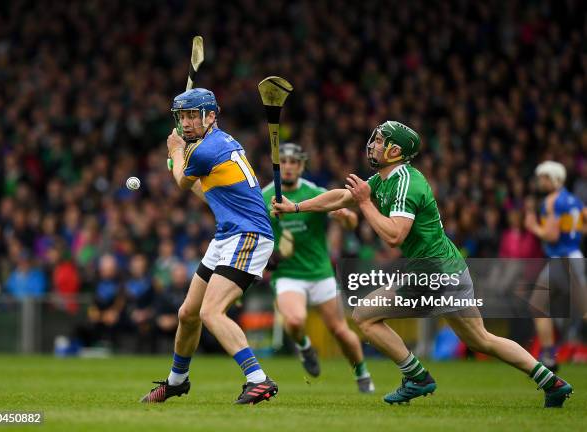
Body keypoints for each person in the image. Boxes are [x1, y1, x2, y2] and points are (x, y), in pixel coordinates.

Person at [273, 120, 573, 408]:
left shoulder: (406, 184)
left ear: (394, 151)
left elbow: (394, 235)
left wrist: (365, 203)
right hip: (445, 267)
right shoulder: (386, 179)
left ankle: (416, 376)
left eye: (380, 141)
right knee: (482, 339)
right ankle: (552, 382)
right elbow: (342, 196)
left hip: (432, 271)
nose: (373, 144)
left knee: (364, 315)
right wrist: (297, 206)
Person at [141, 88, 277, 405]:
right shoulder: (213, 146)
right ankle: (177, 381)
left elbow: (180, 183)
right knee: (188, 313)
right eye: (182, 117)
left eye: (193, 115)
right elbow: (206, 193)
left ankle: (258, 379)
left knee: (211, 312)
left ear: (211, 116)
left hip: (248, 236)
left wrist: (175, 153)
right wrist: (181, 160)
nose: (186, 123)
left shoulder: (205, 150)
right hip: (228, 235)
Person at [262, 142, 374, 393]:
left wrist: (346, 217)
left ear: (301, 166)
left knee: (340, 330)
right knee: (294, 320)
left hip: (319, 272)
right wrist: (272, 256)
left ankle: (362, 373)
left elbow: (352, 222)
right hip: (288, 273)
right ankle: (304, 346)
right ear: (277, 166)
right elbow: (255, 235)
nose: (289, 167)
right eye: (285, 162)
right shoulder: (263, 196)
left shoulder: (315, 192)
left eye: (294, 162)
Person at [524, 161, 585, 372]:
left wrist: (533, 227)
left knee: (538, 304)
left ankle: (549, 354)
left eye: (543, 178)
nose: (540, 182)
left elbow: (551, 234)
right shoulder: (575, 201)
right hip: (574, 255)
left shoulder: (551, 201)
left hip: (561, 258)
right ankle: (549, 354)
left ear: (553, 179)